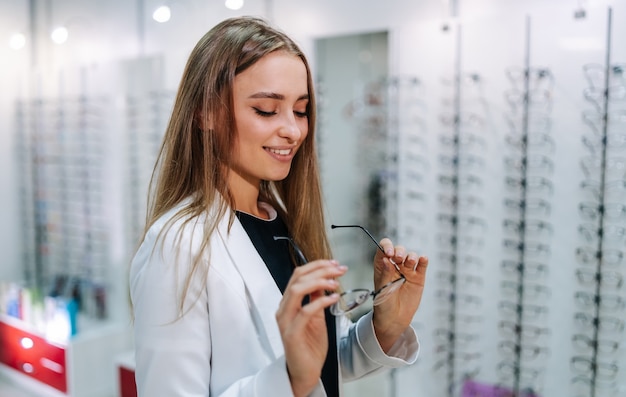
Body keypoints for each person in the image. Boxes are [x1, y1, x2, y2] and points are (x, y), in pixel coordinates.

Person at [129, 16, 429, 397]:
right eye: (267, 110)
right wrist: (288, 379)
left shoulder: (277, 220)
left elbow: (319, 363)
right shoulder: (176, 245)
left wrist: (385, 325)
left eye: (301, 110)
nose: (293, 130)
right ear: (205, 112)